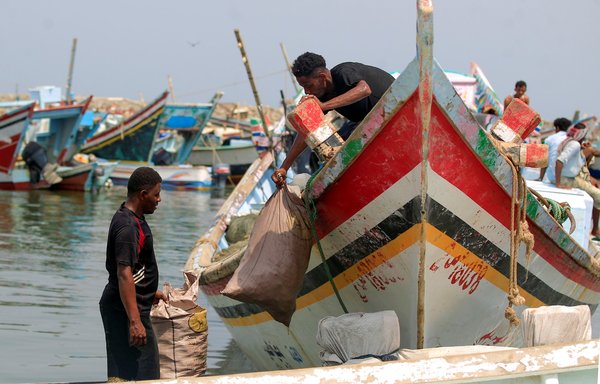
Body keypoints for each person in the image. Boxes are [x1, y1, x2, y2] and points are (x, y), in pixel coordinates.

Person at [272, 52, 394, 186]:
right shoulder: (322, 95)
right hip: (367, 121)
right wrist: (284, 167)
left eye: (309, 85)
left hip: (393, 108)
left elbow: (364, 89)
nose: (306, 91)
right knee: (328, 155)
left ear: (322, 77)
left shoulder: (343, 72)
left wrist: (323, 106)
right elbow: (307, 131)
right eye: (303, 88)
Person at [99, 166, 166, 381]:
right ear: (143, 194)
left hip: (132, 304)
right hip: (125, 311)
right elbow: (124, 273)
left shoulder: (133, 219)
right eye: (156, 194)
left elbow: (135, 269)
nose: (159, 200)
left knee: (128, 375)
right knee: (144, 375)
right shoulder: (128, 226)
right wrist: (135, 322)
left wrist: (149, 292)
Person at [555, 123, 600, 237]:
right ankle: (595, 229)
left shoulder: (569, 142)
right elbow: (559, 161)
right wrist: (558, 183)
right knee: (598, 196)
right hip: (568, 180)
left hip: (568, 178)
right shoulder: (575, 145)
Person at [539, 117, 571, 183]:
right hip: (565, 180)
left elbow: (544, 160)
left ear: (557, 127)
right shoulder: (572, 140)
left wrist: (541, 178)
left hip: (549, 178)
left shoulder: (549, 139)